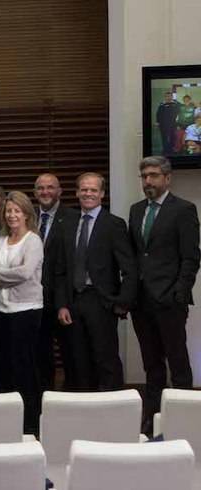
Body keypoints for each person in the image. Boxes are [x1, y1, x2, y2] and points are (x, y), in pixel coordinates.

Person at [128, 156, 200, 434]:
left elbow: (191, 258)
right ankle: (153, 421)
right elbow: (137, 255)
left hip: (170, 300)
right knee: (151, 364)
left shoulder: (183, 210)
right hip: (141, 301)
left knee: (178, 362)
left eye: (154, 175)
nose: (148, 181)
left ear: (167, 178)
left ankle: (185, 422)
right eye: (144, 175)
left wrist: (179, 293)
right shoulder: (135, 211)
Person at [55, 172, 136, 391]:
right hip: (73, 301)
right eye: (84, 189)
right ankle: (84, 410)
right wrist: (62, 304)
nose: (88, 193)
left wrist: (121, 303)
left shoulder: (114, 224)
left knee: (105, 358)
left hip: (101, 302)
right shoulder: (67, 223)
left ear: (101, 194)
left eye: (93, 190)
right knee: (77, 360)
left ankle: (114, 410)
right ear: (77, 192)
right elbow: (60, 269)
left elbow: (129, 269)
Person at [0, 190, 44, 432]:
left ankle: (30, 424)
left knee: (25, 368)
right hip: (2, 311)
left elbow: (25, 273)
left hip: (26, 311)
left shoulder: (33, 241)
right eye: (8, 211)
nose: (11, 215)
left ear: (26, 214)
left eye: (16, 211)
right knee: (5, 366)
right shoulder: (0, 241)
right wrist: (1, 275)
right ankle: (8, 423)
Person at [34, 173, 79, 391]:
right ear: (35, 192)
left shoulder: (73, 218)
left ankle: (70, 401)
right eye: (41, 188)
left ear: (59, 191)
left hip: (63, 299)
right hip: (34, 300)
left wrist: (64, 301)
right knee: (41, 355)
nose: (45, 192)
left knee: (70, 353)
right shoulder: (27, 217)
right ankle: (44, 399)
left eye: (50, 187)